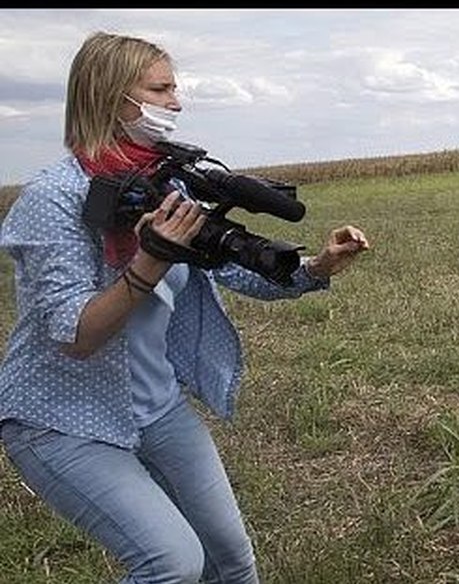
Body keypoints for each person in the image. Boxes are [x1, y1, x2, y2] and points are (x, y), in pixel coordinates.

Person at [0, 32, 370, 584]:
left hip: (156, 407)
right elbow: (77, 335)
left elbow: (226, 262)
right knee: (171, 565)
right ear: (111, 96)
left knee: (231, 564)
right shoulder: (54, 199)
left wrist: (314, 268)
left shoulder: (164, 183)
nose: (176, 102)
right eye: (161, 88)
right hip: (60, 419)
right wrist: (151, 259)